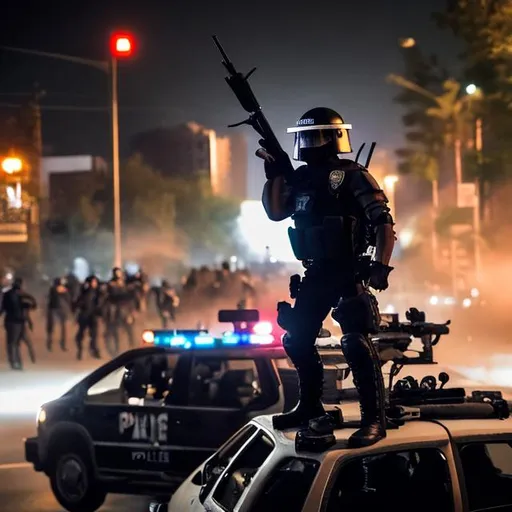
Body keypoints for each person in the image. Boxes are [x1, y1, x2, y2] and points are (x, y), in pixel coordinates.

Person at [260, 107, 395, 447]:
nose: (308, 144)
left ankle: (372, 419)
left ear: (335, 138)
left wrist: (380, 264)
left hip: (348, 270)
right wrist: (274, 173)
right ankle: (309, 406)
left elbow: (382, 220)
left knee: (355, 342)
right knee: (296, 338)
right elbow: (277, 212)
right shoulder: (302, 178)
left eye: (316, 136)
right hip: (315, 272)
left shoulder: (352, 175)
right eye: (304, 137)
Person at [0, 278, 37, 369]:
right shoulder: (22, 295)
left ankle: (15, 362)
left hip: (12, 321)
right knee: (17, 343)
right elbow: (32, 305)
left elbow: (3, 308)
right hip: (18, 321)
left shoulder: (8, 294)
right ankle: (19, 361)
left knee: (12, 343)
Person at [74, 275, 102, 360]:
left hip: (91, 316)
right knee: (82, 335)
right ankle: (81, 351)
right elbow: (78, 304)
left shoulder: (96, 292)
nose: (95, 283)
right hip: (85, 316)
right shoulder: (86, 293)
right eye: (93, 282)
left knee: (93, 335)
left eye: (95, 282)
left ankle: (92, 350)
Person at [46, 277, 72, 352]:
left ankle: (58, 344)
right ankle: (51, 344)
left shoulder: (59, 289)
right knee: (53, 328)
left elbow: (68, 298)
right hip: (54, 309)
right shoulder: (54, 289)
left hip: (57, 309)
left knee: (59, 328)